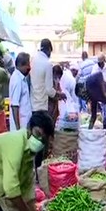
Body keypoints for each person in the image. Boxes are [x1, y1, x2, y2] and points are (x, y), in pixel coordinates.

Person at [30, 39, 66, 168]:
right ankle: (39, 170)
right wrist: (60, 94)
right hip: (42, 107)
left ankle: (34, 168)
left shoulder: (33, 60)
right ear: (49, 49)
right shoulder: (47, 64)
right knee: (42, 140)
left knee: (33, 139)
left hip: (33, 105)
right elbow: (49, 91)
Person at [76, 71, 106, 152]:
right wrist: (88, 132)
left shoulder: (89, 82)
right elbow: (93, 116)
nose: (83, 98)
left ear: (82, 90)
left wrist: (103, 92)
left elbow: (99, 74)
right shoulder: (91, 97)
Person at [9, 52, 32, 131]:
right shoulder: (17, 80)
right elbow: (14, 105)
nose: (29, 67)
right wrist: (18, 128)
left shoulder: (21, 78)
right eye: (27, 65)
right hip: (21, 125)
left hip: (24, 123)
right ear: (22, 65)